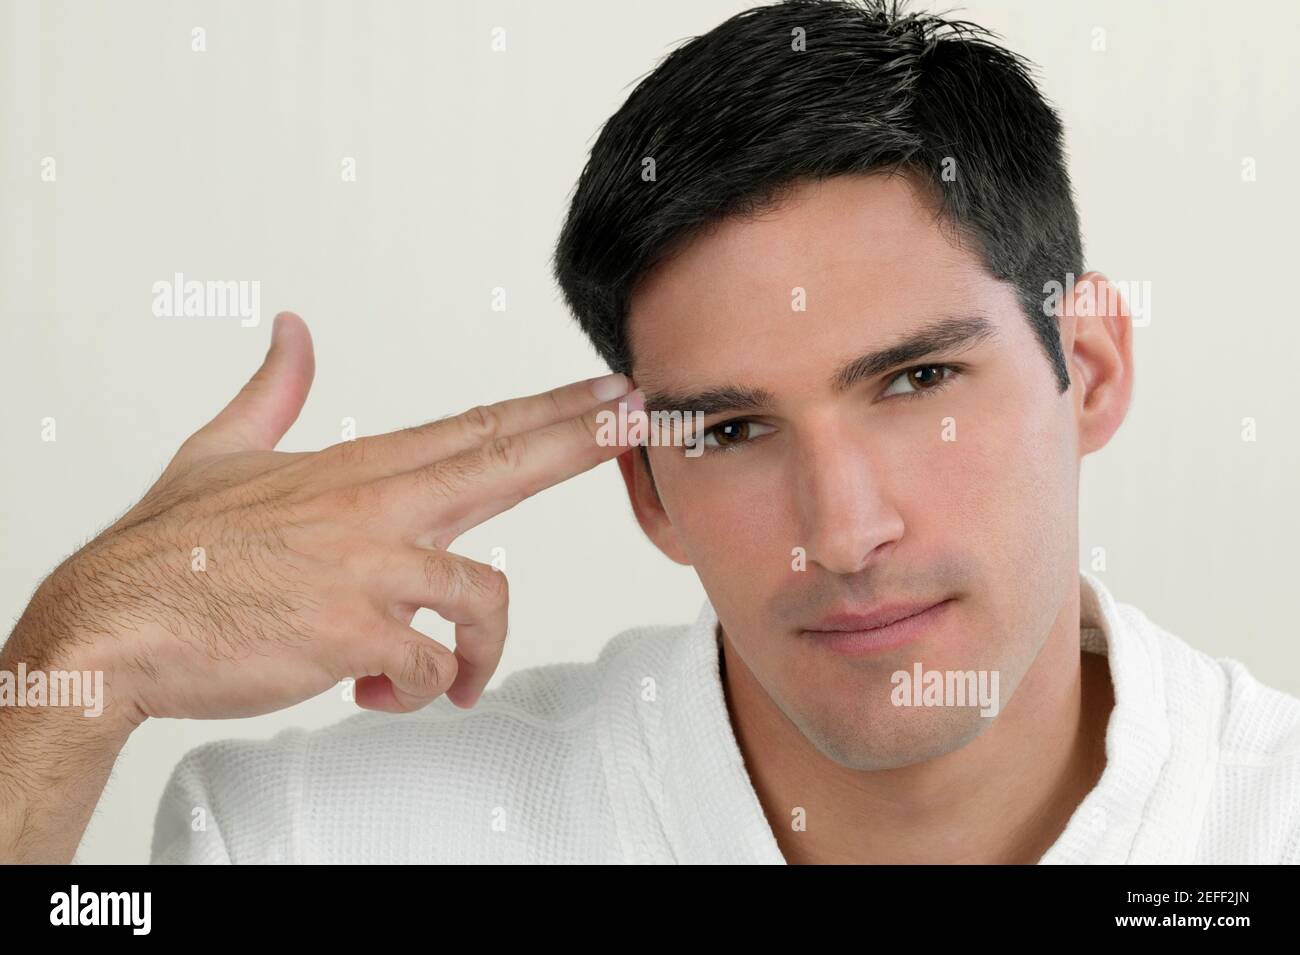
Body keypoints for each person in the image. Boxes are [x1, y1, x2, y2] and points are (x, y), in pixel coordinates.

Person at [3, 0, 1297, 865]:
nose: (845, 532)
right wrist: (69, 676)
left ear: (1092, 368)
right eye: (731, 428)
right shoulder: (320, 840)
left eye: (916, 382)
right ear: (649, 494)